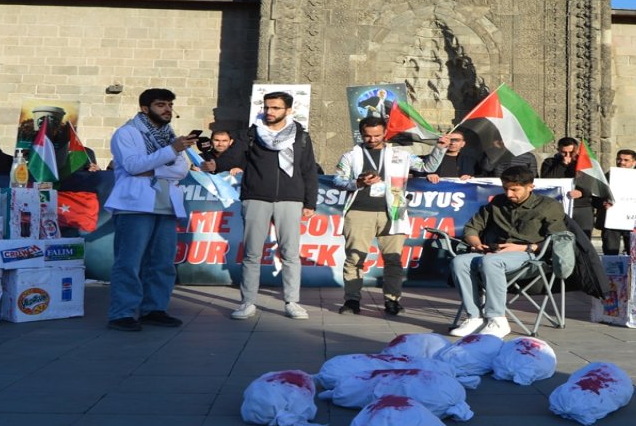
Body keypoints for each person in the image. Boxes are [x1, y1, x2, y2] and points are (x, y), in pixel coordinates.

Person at [220, 91, 320, 320]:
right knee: (252, 254)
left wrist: (310, 202)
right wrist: (214, 163)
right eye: (267, 107)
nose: (270, 112)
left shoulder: (301, 137)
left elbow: (309, 171)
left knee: (291, 254)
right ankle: (247, 302)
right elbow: (230, 158)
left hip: (290, 199)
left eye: (275, 108)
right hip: (256, 198)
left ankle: (292, 302)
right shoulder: (252, 134)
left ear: (289, 110)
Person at [103, 88, 197, 332]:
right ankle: (122, 313)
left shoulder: (169, 135)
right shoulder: (127, 133)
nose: (167, 109)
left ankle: (154, 309)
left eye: (169, 104)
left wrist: (154, 168)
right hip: (134, 205)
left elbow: (181, 170)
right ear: (145, 108)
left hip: (166, 204)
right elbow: (133, 165)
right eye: (160, 104)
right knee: (130, 262)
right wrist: (170, 152)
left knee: (163, 262)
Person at [335, 117, 444, 315]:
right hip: (359, 212)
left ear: (385, 133)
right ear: (361, 134)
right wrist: (358, 183)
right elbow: (338, 180)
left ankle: (392, 300)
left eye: (377, 135)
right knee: (354, 258)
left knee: (393, 259)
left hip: (393, 212)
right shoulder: (351, 155)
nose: (372, 139)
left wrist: (440, 149)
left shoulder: (401, 155)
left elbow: (427, 168)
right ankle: (352, 301)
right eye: (368, 136)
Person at [449, 166, 566, 338]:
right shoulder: (497, 202)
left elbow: (559, 239)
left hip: (530, 256)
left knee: (490, 262)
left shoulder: (549, 206)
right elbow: (472, 227)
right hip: (494, 252)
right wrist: (475, 243)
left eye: (514, 189)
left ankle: (497, 319)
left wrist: (525, 247)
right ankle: (474, 317)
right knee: (460, 261)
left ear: (530, 187)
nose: (509, 194)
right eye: (505, 189)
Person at [539, 137, 597, 237]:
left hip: (582, 207)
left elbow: (592, 185)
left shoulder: (585, 163)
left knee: (583, 238)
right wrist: (562, 165)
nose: (567, 156)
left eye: (571, 152)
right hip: (558, 206)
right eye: (563, 152)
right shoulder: (550, 163)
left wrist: (582, 193)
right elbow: (547, 180)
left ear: (577, 150)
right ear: (558, 150)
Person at [596, 149, 636, 255]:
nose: (621, 162)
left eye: (626, 160)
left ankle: (632, 272)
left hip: (632, 222)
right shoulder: (606, 177)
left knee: (633, 253)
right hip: (611, 221)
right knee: (610, 252)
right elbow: (595, 197)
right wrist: (602, 203)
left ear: (634, 162)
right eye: (619, 159)